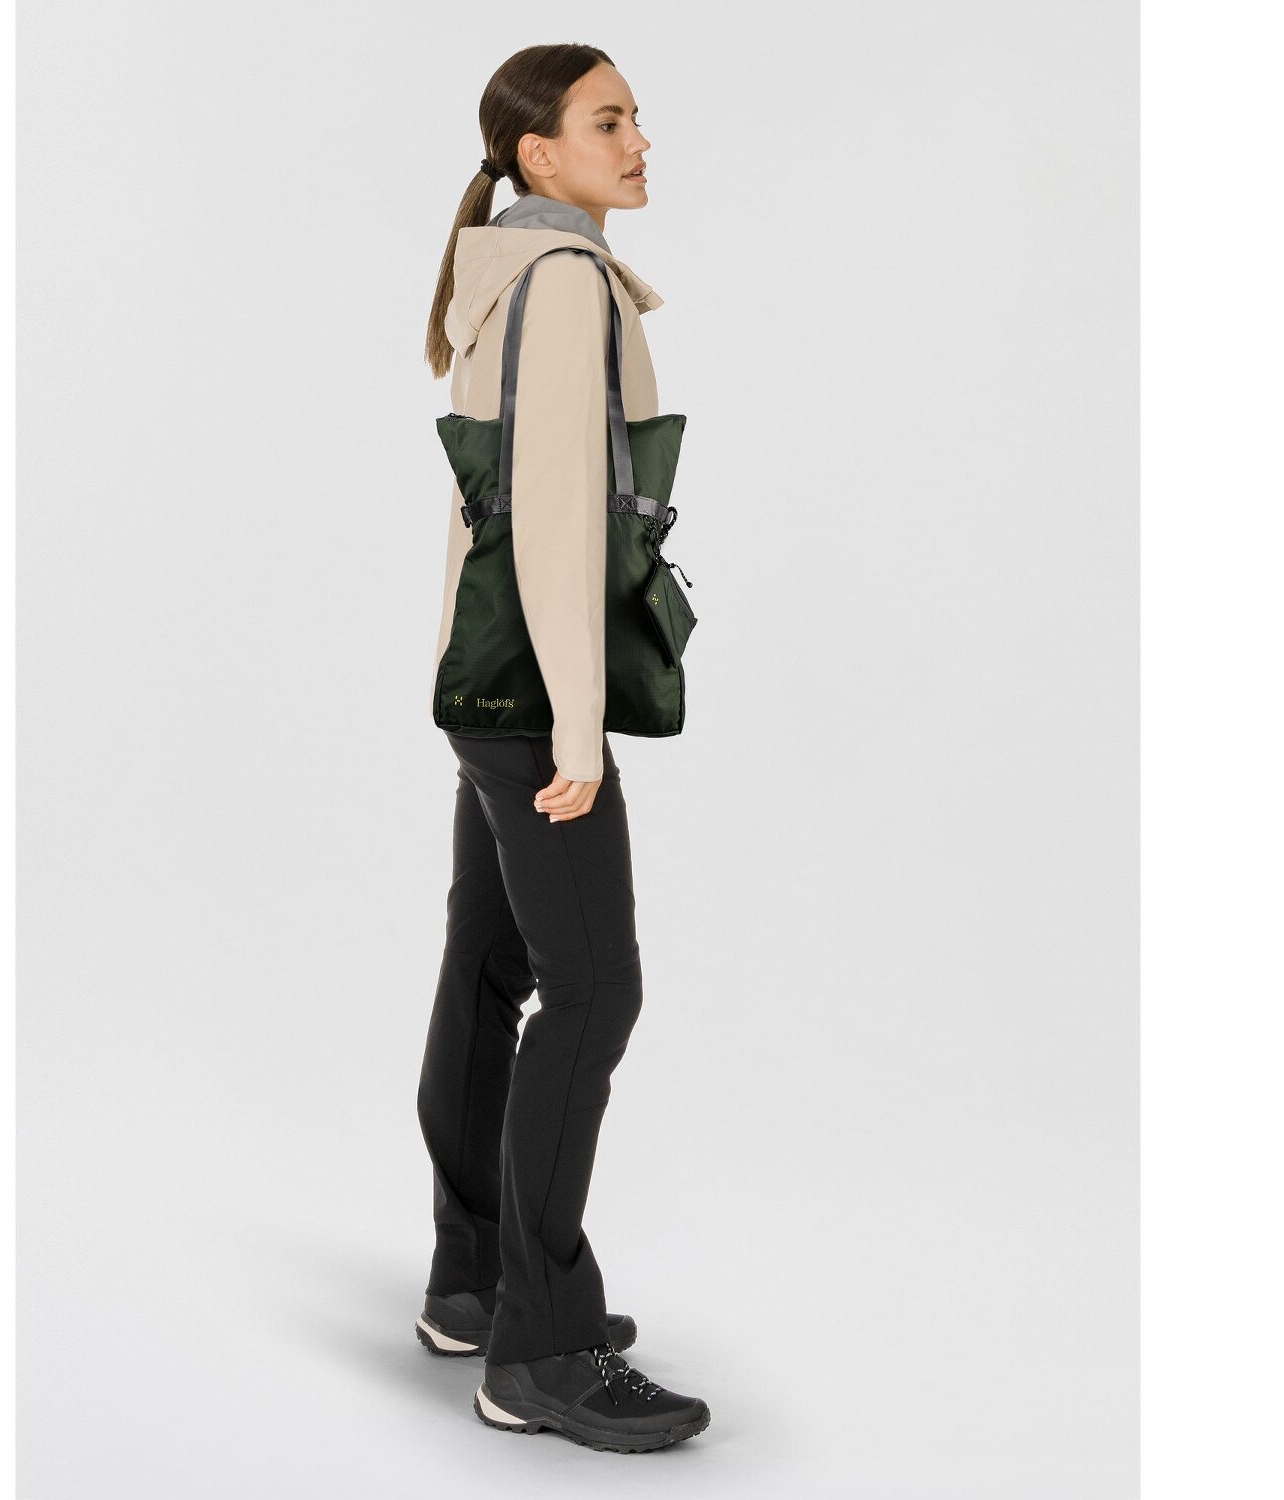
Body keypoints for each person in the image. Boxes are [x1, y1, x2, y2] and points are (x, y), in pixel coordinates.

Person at [414, 45, 711, 1453]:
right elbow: (549, 513)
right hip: (537, 694)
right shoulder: (568, 278)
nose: (639, 139)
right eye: (609, 120)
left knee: (492, 966)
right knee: (593, 991)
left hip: (483, 680)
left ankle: (472, 1279)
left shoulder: (497, 270)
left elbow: (484, 512)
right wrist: (578, 727)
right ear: (539, 153)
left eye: (636, 116)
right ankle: (536, 1348)